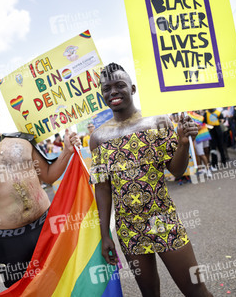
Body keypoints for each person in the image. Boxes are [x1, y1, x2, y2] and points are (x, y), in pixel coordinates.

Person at [89, 63, 212, 297]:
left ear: (132, 88)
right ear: (102, 95)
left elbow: (176, 171)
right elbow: (102, 188)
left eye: (119, 85)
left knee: (196, 290)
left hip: (163, 219)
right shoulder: (98, 138)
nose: (113, 92)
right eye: (106, 88)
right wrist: (106, 235)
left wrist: (184, 144)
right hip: (128, 229)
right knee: (149, 294)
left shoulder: (158, 123)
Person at [0, 93, 80, 295]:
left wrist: (66, 152)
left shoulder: (22, 141)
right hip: (12, 244)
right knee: (27, 293)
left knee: (68, 284)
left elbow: (48, 176)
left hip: (49, 228)